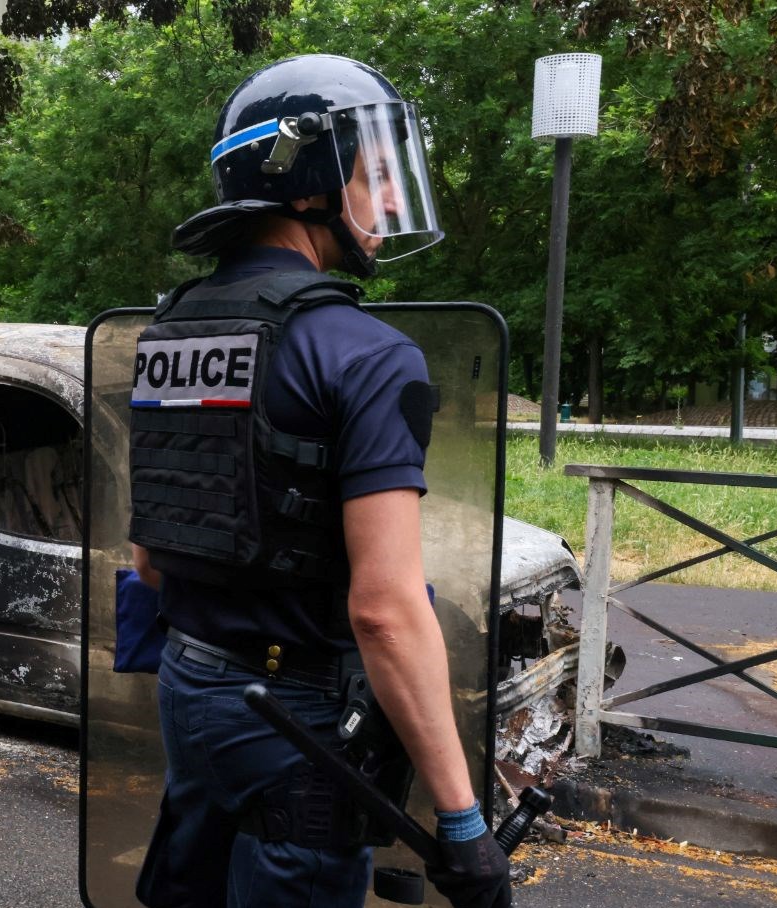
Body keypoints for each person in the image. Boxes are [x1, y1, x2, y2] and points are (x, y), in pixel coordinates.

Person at [130, 54, 511, 908]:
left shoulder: (171, 331)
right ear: (304, 178)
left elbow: (152, 559)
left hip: (192, 692)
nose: (384, 204)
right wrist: (462, 823)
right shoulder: (369, 355)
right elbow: (384, 608)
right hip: (294, 719)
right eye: (372, 176)